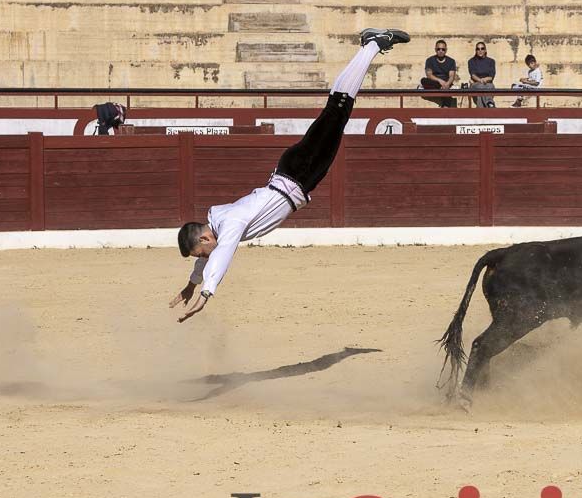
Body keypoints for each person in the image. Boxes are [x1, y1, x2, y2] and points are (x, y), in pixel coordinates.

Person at [171, 28, 410, 323]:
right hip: (296, 174)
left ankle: (373, 44)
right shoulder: (218, 225)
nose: (203, 258)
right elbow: (212, 253)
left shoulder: (229, 225)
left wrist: (206, 293)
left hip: (299, 173)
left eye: (200, 253)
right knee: (336, 108)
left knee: (338, 109)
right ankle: (369, 45)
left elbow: (220, 255)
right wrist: (191, 284)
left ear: (206, 238)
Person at [421, 40, 458, 108]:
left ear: (446, 50)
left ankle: (446, 106)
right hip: (434, 81)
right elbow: (429, 74)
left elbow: (452, 76)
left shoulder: (451, 61)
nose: (440, 51)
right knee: (423, 80)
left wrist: (447, 84)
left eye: (443, 49)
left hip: (446, 81)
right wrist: (440, 81)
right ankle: (445, 101)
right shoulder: (430, 60)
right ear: (435, 49)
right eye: (438, 49)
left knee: (446, 87)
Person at [466, 41, 496, 108]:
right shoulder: (471, 61)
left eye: (482, 48)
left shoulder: (491, 61)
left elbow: (491, 76)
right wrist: (480, 80)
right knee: (481, 87)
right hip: (475, 83)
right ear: (475, 50)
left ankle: (480, 109)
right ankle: (489, 103)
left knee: (489, 87)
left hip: (488, 83)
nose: (480, 50)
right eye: (478, 49)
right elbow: (473, 75)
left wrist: (485, 79)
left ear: (485, 50)